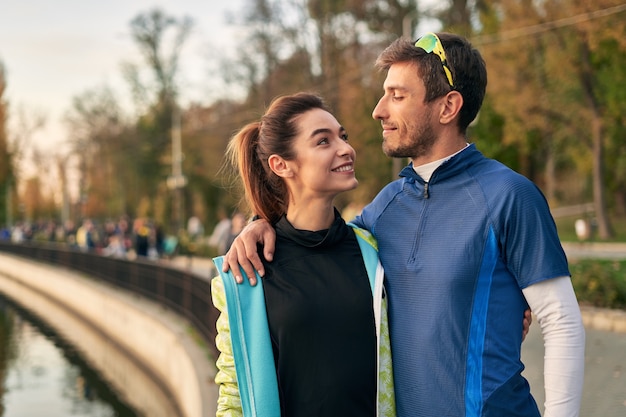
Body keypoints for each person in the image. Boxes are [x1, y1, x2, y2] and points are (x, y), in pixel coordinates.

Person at [222, 33, 585, 417]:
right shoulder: (382, 211)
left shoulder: (510, 195)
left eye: (397, 96)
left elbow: (561, 322)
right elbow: (315, 238)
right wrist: (261, 223)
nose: (378, 111)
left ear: (448, 107)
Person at [211, 92, 395, 416]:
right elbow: (234, 394)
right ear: (281, 165)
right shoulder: (246, 272)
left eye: (343, 136)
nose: (345, 149)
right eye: (323, 141)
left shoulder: (373, 251)